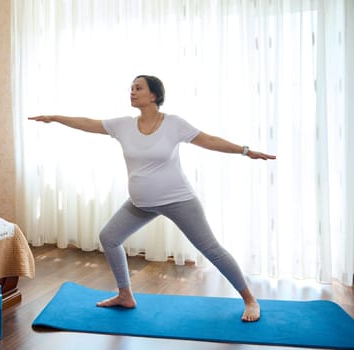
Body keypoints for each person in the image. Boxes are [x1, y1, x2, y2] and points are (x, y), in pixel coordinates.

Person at [29, 75, 276, 322]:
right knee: (109, 237)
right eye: (131, 88)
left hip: (178, 199)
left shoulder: (174, 124)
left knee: (210, 248)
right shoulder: (123, 125)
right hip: (141, 203)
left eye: (139, 88)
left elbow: (208, 140)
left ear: (154, 95)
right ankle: (125, 295)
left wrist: (245, 151)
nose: (132, 92)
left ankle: (250, 300)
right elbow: (87, 123)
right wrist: (55, 118)